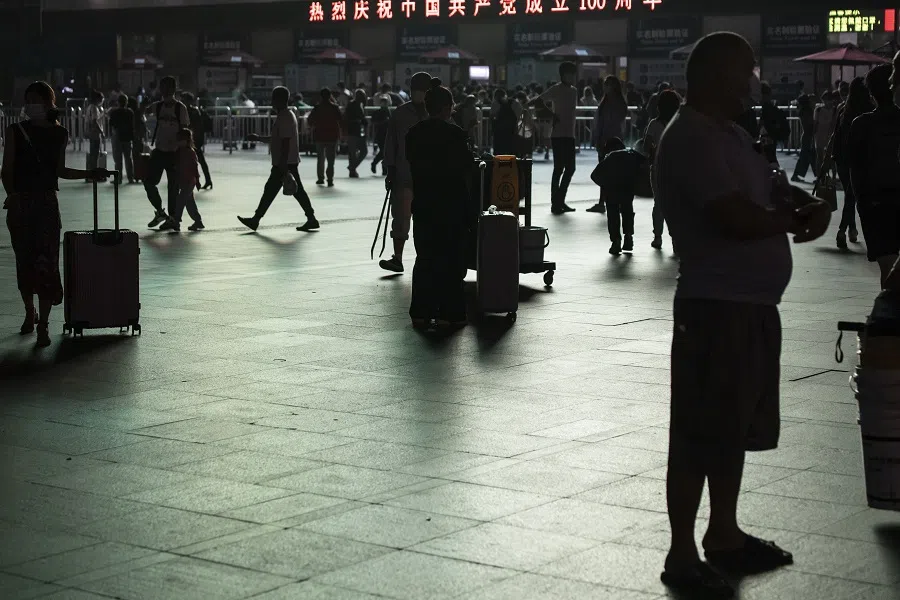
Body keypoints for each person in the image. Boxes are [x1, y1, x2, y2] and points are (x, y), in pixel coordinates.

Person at [654, 32, 830, 599]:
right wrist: (785, 223)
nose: (752, 83)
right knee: (698, 432)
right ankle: (682, 552)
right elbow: (731, 215)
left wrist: (799, 205)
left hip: (750, 306)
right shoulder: (691, 138)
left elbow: (766, 195)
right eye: (744, 73)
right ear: (713, 77)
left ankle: (724, 534)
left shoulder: (731, 134)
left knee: (729, 431)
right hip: (715, 306)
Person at [1, 81, 110, 347]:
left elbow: (52, 171)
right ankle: (36, 318)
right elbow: (13, 169)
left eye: (35, 99)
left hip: (33, 203)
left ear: (49, 102)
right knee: (35, 261)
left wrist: (89, 174)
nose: (30, 105)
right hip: (35, 204)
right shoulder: (25, 131)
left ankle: (38, 320)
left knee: (36, 263)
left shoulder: (45, 133)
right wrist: (13, 195)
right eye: (27, 100)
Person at [405, 79, 472, 329]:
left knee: (425, 258)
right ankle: (449, 312)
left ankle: (421, 311)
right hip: (451, 205)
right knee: (451, 260)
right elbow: (466, 167)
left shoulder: (414, 133)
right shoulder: (454, 134)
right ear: (447, 107)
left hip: (423, 203)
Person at [238, 86, 319, 233]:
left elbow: (286, 142)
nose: (272, 102)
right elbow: (277, 139)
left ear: (280, 100)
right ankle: (311, 218)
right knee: (292, 190)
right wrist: (259, 138)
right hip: (285, 161)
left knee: (276, 190)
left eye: (273, 99)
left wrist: (283, 166)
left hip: (285, 162)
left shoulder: (286, 117)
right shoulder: (284, 115)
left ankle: (256, 219)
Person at [848, 62, 900, 288]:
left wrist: (862, 204)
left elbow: (855, 169)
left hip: (876, 203)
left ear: (871, 94)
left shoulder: (861, 124)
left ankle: (890, 314)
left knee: (887, 267)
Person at [381, 71, 432, 274]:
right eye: (415, 90)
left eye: (422, 90)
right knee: (401, 218)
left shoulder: (436, 114)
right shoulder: (400, 114)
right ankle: (398, 258)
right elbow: (390, 144)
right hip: (404, 175)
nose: (418, 94)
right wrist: (390, 171)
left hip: (430, 178)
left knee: (427, 220)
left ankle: (425, 260)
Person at [832, 77, 873, 250]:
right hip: (861, 160)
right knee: (852, 196)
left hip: (842, 159)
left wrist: (832, 157)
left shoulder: (844, 110)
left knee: (850, 195)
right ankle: (843, 230)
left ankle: (851, 229)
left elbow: (836, 135)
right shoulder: (870, 111)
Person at [144, 76, 190, 230]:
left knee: (173, 187)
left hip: (174, 153)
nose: (163, 90)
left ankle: (172, 218)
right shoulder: (157, 106)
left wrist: (185, 150)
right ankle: (160, 212)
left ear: (173, 89)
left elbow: (185, 130)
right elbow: (143, 112)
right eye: (161, 87)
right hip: (159, 151)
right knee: (148, 182)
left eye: (166, 87)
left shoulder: (180, 108)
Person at [536, 62, 579, 215]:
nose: (572, 76)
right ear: (563, 75)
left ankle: (559, 200)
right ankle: (557, 203)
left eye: (573, 74)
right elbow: (539, 101)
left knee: (570, 168)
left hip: (569, 135)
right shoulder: (556, 89)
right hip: (559, 135)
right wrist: (551, 115)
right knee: (559, 169)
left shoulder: (574, 91)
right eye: (569, 74)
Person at [591, 137, 646, 255]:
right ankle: (628, 238)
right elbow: (645, 163)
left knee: (613, 215)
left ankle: (616, 242)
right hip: (627, 187)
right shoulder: (632, 154)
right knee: (627, 212)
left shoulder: (609, 158)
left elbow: (594, 175)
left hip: (611, 190)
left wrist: (605, 185)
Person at [645, 89, 681, 250]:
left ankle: (657, 236)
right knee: (675, 204)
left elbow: (646, 145)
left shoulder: (654, 124)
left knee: (658, 203)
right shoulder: (679, 123)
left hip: (657, 167)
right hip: (676, 168)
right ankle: (675, 239)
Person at [588, 76, 629, 214]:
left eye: (607, 85)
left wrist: (598, 138)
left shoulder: (609, 103)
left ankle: (604, 201)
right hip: (610, 140)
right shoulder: (615, 103)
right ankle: (606, 201)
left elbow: (604, 123)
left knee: (606, 172)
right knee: (610, 172)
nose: (605, 87)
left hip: (608, 141)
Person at [160, 128, 204, 232]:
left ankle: (176, 221)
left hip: (189, 181)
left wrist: (197, 181)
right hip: (183, 181)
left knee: (180, 201)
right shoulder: (179, 152)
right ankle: (198, 221)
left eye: (181, 139)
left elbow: (194, 167)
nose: (179, 142)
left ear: (187, 140)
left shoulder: (190, 152)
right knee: (190, 203)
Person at [307, 88, 343, 187]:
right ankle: (330, 179)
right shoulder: (335, 108)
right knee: (331, 160)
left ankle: (320, 178)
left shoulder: (317, 108)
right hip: (332, 136)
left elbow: (310, 120)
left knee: (320, 158)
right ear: (330, 95)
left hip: (319, 135)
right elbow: (341, 120)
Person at [182, 92, 212, 190]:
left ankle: (205, 180)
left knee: (198, 160)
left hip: (193, 140)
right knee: (196, 161)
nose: (182, 101)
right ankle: (206, 180)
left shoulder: (193, 111)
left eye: (184, 99)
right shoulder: (188, 111)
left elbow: (196, 127)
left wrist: (195, 141)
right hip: (189, 140)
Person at [108, 94, 135, 184]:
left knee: (118, 160)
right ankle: (130, 178)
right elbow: (133, 125)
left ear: (118, 102)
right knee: (128, 159)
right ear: (126, 102)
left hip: (117, 138)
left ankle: (118, 179)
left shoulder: (114, 112)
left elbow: (111, 125)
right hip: (127, 138)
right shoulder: (130, 112)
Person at [790, 94, 816, 182]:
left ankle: (819, 176)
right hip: (808, 137)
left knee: (809, 157)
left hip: (807, 136)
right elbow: (810, 125)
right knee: (809, 157)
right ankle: (819, 176)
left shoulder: (803, 111)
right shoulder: (807, 111)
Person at [813, 90, 838, 176]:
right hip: (819, 135)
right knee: (819, 157)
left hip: (830, 135)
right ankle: (820, 177)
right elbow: (815, 124)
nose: (828, 102)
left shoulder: (835, 110)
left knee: (831, 158)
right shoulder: (818, 110)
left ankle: (833, 176)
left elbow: (835, 123)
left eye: (829, 99)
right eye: (826, 100)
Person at [345, 89, 368, 178]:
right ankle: (352, 169)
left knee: (354, 152)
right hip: (355, 131)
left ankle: (352, 169)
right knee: (360, 151)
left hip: (354, 131)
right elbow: (361, 118)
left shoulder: (354, 104)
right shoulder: (355, 105)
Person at [492, 90, 518, 156]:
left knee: (499, 149)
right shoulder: (514, 102)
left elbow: (493, 115)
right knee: (511, 147)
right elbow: (519, 115)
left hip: (499, 129)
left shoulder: (495, 103)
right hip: (511, 128)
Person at [85, 90, 105, 181]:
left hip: (91, 133)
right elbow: (94, 121)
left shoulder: (90, 107)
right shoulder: (94, 108)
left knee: (93, 154)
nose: (102, 101)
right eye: (102, 99)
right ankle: (93, 175)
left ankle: (92, 174)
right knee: (94, 155)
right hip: (95, 134)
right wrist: (101, 132)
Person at [370, 96, 391, 175]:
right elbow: (374, 122)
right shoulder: (377, 112)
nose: (384, 104)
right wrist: (384, 122)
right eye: (383, 102)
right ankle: (376, 164)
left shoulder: (388, 111)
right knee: (383, 151)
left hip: (387, 134)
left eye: (385, 102)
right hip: (380, 134)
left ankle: (383, 169)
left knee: (385, 152)